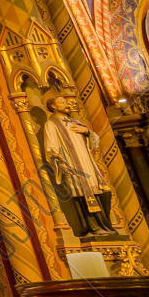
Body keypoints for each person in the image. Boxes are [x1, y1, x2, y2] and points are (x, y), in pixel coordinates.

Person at [40, 93, 115, 237]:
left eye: (66, 102)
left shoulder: (75, 122)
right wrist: (59, 162)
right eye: (62, 102)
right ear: (53, 106)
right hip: (73, 166)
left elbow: (95, 142)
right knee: (82, 194)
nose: (66, 104)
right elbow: (50, 147)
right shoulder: (51, 124)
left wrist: (87, 132)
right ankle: (93, 228)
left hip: (88, 164)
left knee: (105, 192)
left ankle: (106, 225)